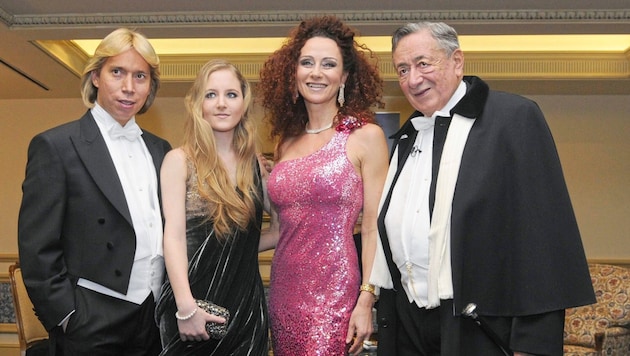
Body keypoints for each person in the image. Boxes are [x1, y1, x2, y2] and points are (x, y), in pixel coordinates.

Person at [369, 21, 596, 356]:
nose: (412, 80)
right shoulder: (409, 137)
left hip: (482, 327)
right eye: (402, 69)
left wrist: (533, 343)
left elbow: (543, 236)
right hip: (409, 325)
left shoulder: (513, 118)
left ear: (457, 61)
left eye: (423, 64)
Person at [17, 28, 171, 355]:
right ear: (96, 76)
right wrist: (66, 315)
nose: (129, 87)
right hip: (91, 317)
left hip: (155, 315)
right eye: (117, 72)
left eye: (140, 76)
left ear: (150, 86)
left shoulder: (161, 150)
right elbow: (37, 246)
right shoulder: (56, 146)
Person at [257, 15, 390, 356]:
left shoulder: (365, 137)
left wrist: (367, 297)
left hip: (335, 292)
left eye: (328, 64)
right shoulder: (284, 142)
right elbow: (281, 229)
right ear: (294, 73)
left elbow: (375, 226)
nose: (316, 72)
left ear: (344, 76)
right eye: (307, 63)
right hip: (284, 289)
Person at [154, 59, 269, 355]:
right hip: (191, 303)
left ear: (244, 102)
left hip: (245, 306)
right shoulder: (179, 161)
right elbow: (174, 237)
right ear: (198, 104)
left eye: (231, 94)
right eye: (211, 94)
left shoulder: (255, 165)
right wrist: (185, 308)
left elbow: (275, 232)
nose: (221, 104)